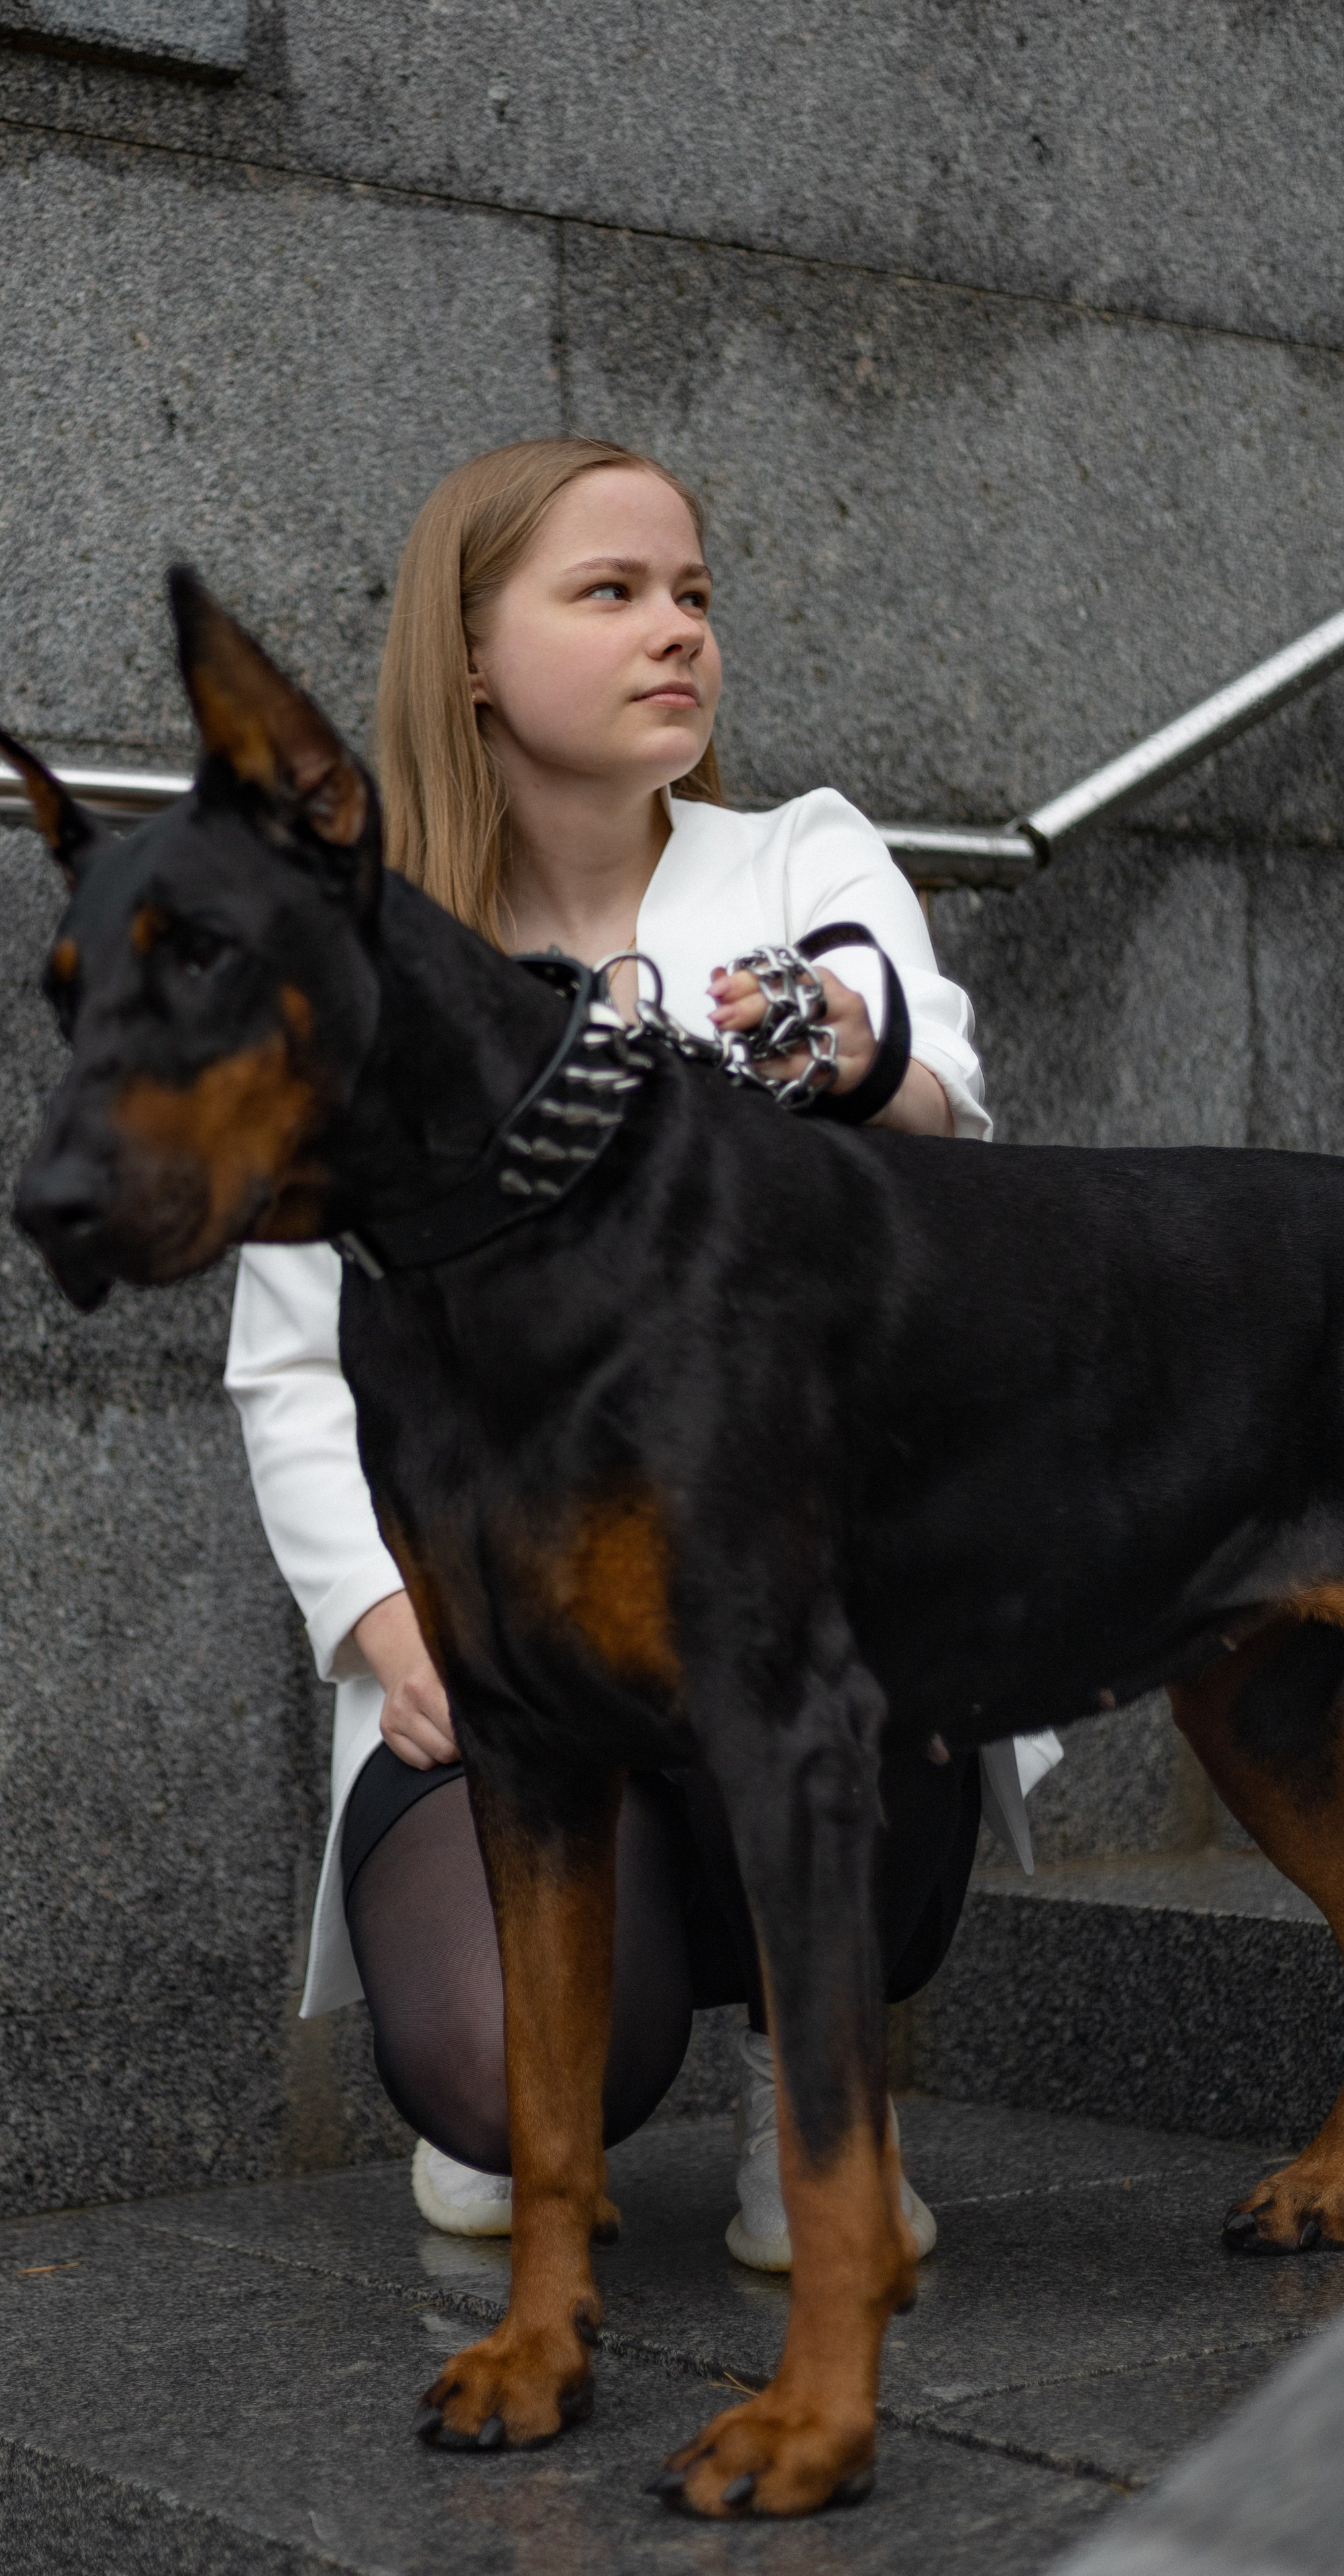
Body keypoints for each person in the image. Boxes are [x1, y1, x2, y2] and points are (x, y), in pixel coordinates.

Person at [225, 437, 1059, 2266]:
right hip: (512, 1624)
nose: (676, 629)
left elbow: (933, 1093)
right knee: (497, 2070)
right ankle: (539, 2103)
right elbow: (291, 1361)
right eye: (609, 593)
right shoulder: (375, 964)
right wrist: (395, 1630)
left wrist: (849, 1044)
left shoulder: (802, 853)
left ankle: (810, 2105)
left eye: (693, 593)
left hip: (807, 1588)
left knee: (857, 1685)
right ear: (469, 657)